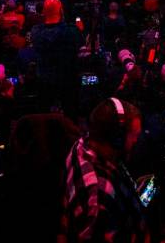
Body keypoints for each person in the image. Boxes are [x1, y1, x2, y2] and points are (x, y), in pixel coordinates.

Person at [59, 98, 146, 242]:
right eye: (134, 136)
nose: (137, 141)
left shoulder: (83, 143)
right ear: (117, 139)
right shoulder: (99, 195)